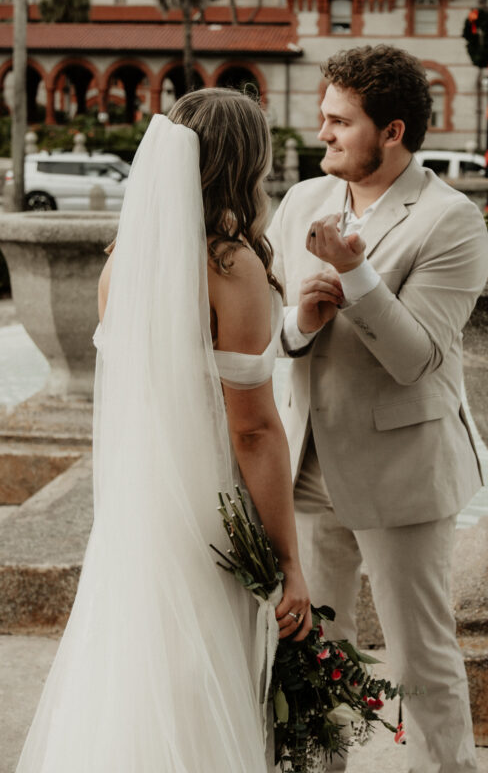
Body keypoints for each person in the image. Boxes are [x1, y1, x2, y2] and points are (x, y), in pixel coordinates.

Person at [16, 89, 311, 773]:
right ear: (244, 162)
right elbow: (255, 432)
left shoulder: (125, 261)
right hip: (209, 512)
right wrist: (291, 562)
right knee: (199, 678)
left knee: (136, 674)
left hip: (141, 506)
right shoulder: (228, 265)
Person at [268, 44, 488, 773]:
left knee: (420, 655)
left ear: (391, 132)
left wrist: (355, 272)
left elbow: (416, 358)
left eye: (340, 122)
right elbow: (270, 331)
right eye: (323, 118)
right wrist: (299, 322)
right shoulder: (303, 199)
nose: (323, 133)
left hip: (400, 469)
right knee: (313, 653)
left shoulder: (451, 221)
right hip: (304, 465)